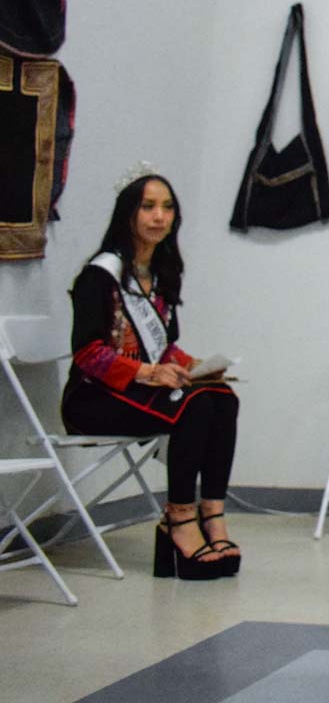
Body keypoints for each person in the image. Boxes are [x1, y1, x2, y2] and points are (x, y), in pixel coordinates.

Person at [62, 169, 241, 580]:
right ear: (128, 214)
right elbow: (88, 354)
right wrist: (148, 372)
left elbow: (165, 348)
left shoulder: (160, 274)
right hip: (93, 399)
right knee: (193, 406)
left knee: (220, 397)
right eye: (148, 207)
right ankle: (178, 519)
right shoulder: (100, 275)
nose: (159, 216)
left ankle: (212, 514)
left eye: (167, 207)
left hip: (141, 392)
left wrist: (197, 367)